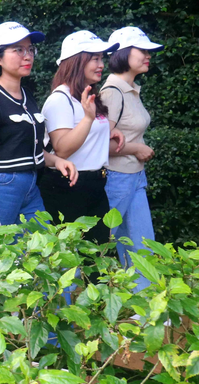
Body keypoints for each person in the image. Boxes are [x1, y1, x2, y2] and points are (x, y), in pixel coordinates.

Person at [0, 22, 78, 230]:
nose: (28, 56)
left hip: (29, 185)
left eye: (30, 49)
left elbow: (25, 147)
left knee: (45, 250)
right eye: (18, 50)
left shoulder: (27, 97)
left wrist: (56, 160)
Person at [40, 31, 125, 247]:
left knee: (98, 260)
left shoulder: (84, 98)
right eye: (94, 58)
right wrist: (88, 119)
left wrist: (107, 132)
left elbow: (87, 138)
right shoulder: (60, 100)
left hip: (96, 184)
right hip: (68, 187)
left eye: (101, 58)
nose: (101, 64)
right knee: (66, 261)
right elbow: (62, 150)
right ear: (77, 62)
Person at [102, 26, 163, 292]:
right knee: (103, 242)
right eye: (143, 49)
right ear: (123, 53)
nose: (148, 54)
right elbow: (100, 144)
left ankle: (145, 304)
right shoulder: (113, 92)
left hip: (135, 176)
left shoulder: (130, 89)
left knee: (142, 243)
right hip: (116, 178)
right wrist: (136, 149)